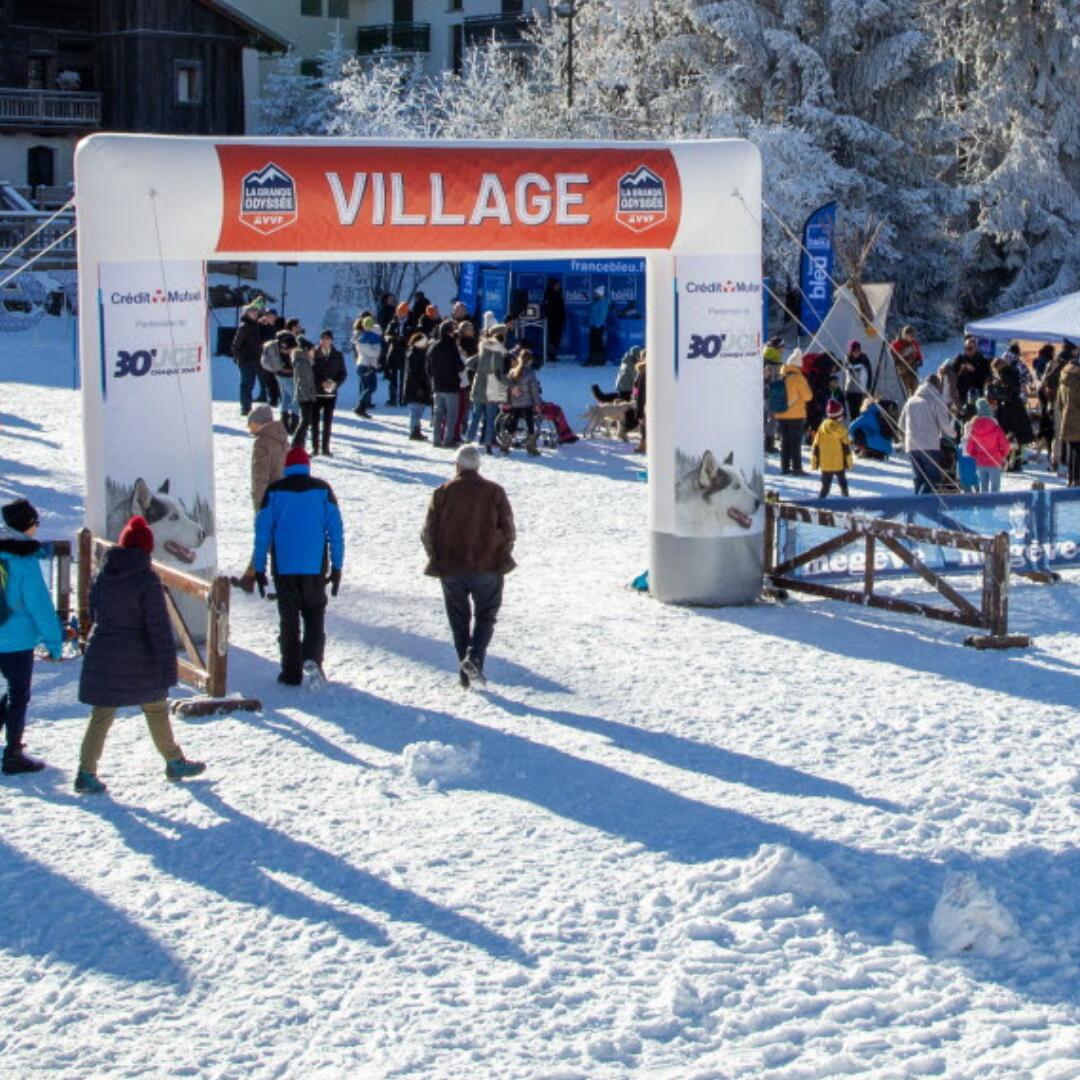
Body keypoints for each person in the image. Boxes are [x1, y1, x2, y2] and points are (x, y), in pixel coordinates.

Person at [73, 516, 205, 794]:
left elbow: (93, 611)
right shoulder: (147, 579)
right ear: (147, 549)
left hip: (104, 650)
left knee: (102, 714)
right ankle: (174, 760)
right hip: (139, 654)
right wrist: (168, 667)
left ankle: (86, 771)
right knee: (156, 708)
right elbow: (157, 628)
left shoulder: (103, 573)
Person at [421, 443, 516, 688]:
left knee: (458, 620)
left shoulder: (442, 492)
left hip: (451, 566)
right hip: (488, 564)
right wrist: (500, 552)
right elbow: (508, 529)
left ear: (457, 465)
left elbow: (427, 532)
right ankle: (474, 659)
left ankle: (465, 672)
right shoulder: (495, 491)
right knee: (486, 616)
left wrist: (437, 557)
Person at [252, 447, 344, 685]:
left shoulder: (274, 491)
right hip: (314, 566)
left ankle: (291, 671)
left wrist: (258, 568)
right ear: (307, 466)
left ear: (286, 467)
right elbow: (336, 531)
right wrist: (337, 567)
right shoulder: (323, 490)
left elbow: (262, 533)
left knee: (289, 619)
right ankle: (312, 657)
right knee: (314, 613)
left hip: (284, 567)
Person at [0, 498, 62, 775]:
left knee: (8, 694)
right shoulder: (24, 560)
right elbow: (40, 607)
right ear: (27, 525)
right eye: (36, 522)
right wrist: (54, 643)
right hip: (16, 640)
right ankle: (13, 754)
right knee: (18, 695)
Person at [899, 374, 954, 494]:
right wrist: (954, 434)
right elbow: (944, 423)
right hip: (930, 445)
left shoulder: (910, 401)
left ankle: (913, 507)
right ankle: (921, 505)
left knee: (918, 478)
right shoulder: (936, 400)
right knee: (932, 478)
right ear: (937, 385)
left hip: (912, 446)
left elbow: (901, 424)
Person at [466, 323, 508, 452]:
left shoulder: (483, 347)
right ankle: (488, 444)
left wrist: (479, 371)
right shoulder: (497, 352)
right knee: (490, 419)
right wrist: (510, 384)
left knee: (475, 416)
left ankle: (468, 440)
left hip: (478, 386)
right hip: (492, 389)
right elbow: (498, 373)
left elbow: (469, 363)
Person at [987, 357, 1033, 470]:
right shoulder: (1010, 373)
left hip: (1011, 410)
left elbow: (1014, 389)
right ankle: (1010, 463)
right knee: (1012, 437)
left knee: (1011, 437)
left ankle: (1012, 463)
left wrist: (1000, 380)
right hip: (1008, 409)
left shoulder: (1009, 374)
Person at [774, 348, 813, 475]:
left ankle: (785, 468)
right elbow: (808, 396)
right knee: (795, 443)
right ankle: (797, 468)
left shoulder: (781, 375)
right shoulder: (799, 378)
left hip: (781, 414)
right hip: (796, 416)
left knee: (785, 442)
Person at [428, 320, 465, 448]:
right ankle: (448, 440)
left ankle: (436, 439)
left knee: (438, 414)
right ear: (449, 332)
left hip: (437, 385)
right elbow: (459, 366)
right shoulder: (452, 347)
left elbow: (428, 367)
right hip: (451, 385)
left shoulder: (433, 347)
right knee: (451, 415)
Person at [501, 348, 542, 456]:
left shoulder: (512, 371)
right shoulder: (530, 373)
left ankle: (505, 445)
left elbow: (508, 389)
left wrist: (508, 402)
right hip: (527, 404)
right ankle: (531, 447)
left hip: (515, 404)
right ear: (530, 360)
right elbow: (534, 391)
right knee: (530, 425)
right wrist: (537, 403)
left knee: (512, 424)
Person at [964, 398, 1011, 492]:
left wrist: (976, 455)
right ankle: (994, 505)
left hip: (981, 463)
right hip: (995, 461)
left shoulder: (974, 428)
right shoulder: (996, 427)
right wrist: (1002, 455)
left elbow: (969, 449)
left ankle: (985, 505)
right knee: (995, 489)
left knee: (983, 489)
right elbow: (1005, 445)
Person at [312, 330, 347, 457]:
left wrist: (335, 384)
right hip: (316, 392)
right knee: (314, 421)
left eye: (327, 338)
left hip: (331, 393)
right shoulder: (314, 353)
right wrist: (320, 383)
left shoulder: (337, 355)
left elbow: (342, 373)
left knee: (328, 421)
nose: (325, 341)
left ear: (331, 340)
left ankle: (325, 448)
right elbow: (311, 372)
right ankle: (315, 447)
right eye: (323, 338)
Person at [248, 403, 288, 512]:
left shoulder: (262, 443)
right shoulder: (282, 440)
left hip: (269, 500)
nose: (248, 427)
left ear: (258, 423)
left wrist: (259, 508)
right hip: (285, 498)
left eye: (250, 423)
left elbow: (260, 477)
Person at [810, 399, 853, 497]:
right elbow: (846, 448)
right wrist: (849, 463)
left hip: (826, 464)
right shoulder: (842, 430)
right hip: (839, 464)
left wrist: (814, 463)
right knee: (843, 484)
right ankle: (846, 498)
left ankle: (820, 502)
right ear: (839, 416)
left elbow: (815, 446)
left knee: (825, 486)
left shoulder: (821, 427)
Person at [231, 302, 265, 416]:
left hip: (255, 360)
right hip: (245, 360)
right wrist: (237, 357)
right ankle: (246, 408)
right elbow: (236, 344)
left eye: (256, 311)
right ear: (247, 313)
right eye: (252, 311)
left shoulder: (255, 325)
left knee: (251, 384)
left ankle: (248, 406)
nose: (255, 313)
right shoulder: (244, 326)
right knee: (246, 384)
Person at [290, 337, 318, 452]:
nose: (314, 352)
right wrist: (307, 395)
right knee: (305, 420)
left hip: (307, 395)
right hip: (305, 396)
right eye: (312, 350)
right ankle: (296, 444)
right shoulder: (302, 362)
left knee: (306, 420)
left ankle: (300, 444)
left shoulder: (305, 361)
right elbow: (302, 381)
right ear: (306, 350)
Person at [1056, 353, 1080, 487]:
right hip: (1078, 421)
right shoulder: (1078, 381)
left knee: (1072, 451)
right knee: (1078, 452)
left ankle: (1071, 479)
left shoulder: (1063, 381)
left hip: (1067, 419)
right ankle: (1077, 479)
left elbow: (1059, 403)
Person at [404, 331, 433, 441]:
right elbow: (412, 373)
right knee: (415, 410)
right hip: (415, 387)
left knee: (419, 409)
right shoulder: (413, 354)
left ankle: (416, 429)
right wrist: (419, 387)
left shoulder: (420, 352)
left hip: (420, 385)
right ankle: (414, 431)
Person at [352, 315, 381, 418]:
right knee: (371, 387)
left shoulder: (361, 337)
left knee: (366, 387)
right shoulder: (362, 340)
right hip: (366, 365)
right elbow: (372, 353)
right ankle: (360, 406)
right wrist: (378, 350)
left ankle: (362, 408)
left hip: (363, 364)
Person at [383, 301, 412, 406]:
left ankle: (403, 398)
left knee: (405, 377)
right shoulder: (393, 323)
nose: (401, 315)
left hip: (405, 352)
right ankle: (392, 398)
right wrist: (393, 338)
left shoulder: (411, 323)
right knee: (393, 378)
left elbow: (414, 337)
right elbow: (386, 336)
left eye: (403, 312)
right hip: (394, 352)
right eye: (399, 312)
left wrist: (405, 339)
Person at [762, 336, 784, 452]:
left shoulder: (767, 357)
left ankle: (766, 443)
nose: (783, 349)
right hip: (771, 394)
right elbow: (772, 378)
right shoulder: (774, 360)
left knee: (765, 419)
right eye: (782, 347)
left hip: (765, 394)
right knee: (772, 419)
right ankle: (768, 445)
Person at [890, 325, 923, 399]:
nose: (912, 337)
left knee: (916, 394)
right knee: (904, 395)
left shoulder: (914, 344)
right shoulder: (895, 345)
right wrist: (903, 360)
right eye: (910, 335)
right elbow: (892, 360)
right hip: (902, 374)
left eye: (913, 335)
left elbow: (919, 358)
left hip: (913, 372)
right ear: (904, 335)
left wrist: (917, 362)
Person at [844, 340, 873, 421]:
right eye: (854, 351)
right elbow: (845, 377)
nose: (856, 353)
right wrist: (845, 390)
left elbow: (869, 375)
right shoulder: (847, 359)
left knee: (861, 413)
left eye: (858, 351)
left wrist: (867, 389)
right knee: (852, 414)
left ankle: (860, 432)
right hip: (850, 391)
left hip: (861, 391)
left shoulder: (864, 360)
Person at [542, 278, 566, 364]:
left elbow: (561, 306)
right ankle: (550, 355)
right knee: (552, 337)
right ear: (553, 285)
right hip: (553, 319)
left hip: (558, 319)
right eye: (557, 284)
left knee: (556, 338)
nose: (558, 286)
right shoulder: (549, 293)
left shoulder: (558, 292)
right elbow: (547, 306)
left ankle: (553, 354)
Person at [587, 287, 610, 366]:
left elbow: (603, 316)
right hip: (593, 325)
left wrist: (598, 325)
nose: (594, 295)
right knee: (593, 343)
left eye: (596, 293)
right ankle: (594, 358)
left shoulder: (603, 303)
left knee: (598, 343)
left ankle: (599, 359)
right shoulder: (595, 302)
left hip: (598, 326)